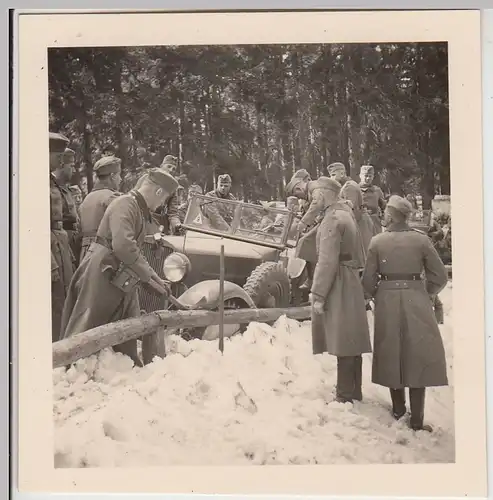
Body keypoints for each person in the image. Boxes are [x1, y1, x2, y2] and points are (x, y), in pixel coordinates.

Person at [60, 168, 179, 367]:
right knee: (86, 326)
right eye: (164, 199)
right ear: (158, 192)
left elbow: (133, 251)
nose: (161, 205)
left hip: (121, 276)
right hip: (102, 272)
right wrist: (147, 276)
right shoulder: (125, 204)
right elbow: (123, 246)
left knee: (126, 329)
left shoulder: (138, 209)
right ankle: (69, 373)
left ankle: (126, 369)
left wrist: (153, 278)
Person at [362, 195, 448, 432]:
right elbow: (440, 276)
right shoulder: (421, 241)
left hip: (387, 300)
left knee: (391, 351)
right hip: (416, 299)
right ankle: (417, 420)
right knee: (417, 354)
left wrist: (373, 295)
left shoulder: (377, 242)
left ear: (390, 215)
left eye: (385, 213)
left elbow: (368, 280)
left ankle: (399, 410)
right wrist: (425, 292)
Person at [309, 178, 372, 404]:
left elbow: (326, 261)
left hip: (338, 281)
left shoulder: (331, 219)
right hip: (351, 280)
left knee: (342, 338)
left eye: (316, 195)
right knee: (351, 337)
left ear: (326, 193)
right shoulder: (347, 214)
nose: (314, 199)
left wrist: (318, 294)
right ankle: (354, 390)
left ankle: (344, 395)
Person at [285, 172, 335, 290]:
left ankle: (313, 279)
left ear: (298, 188)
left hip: (333, 219)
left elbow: (317, 204)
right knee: (306, 242)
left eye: (297, 195)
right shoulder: (311, 190)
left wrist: (303, 222)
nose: (299, 198)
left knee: (306, 242)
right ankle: (311, 278)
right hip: (327, 219)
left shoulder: (314, 186)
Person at [49, 132, 76, 342]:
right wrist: (50, 263)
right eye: (57, 154)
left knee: (66, 295)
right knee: (55, 301)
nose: (61, 159)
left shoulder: (50, 181)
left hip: (60, 244)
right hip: (49, 248)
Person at [78, 155, 122, 263]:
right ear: (112, 176)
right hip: (104, 254)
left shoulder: (87, 199)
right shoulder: (112, 197)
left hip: (85, 254)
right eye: (119, 175)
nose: (120, 179)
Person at [326, 162, 370, 269]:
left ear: (341, 173)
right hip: (358, 221)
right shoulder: (347, 185)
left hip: (359, 223)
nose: (331, 178)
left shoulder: (349, 187)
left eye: (333, 175)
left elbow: (350, 210)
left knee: (359, 257)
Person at [53, 147, 81, 265]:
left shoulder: (68, 190)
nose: (74, 170)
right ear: (61, 165)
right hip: (62, 241)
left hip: (73, 240)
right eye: (71, 166)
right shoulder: (53, 189)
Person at [359, 165, 386, 235]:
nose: (368, 178)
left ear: (373, 177)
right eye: (366, 175)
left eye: (370, 176)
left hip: (375, 224)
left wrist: (383, 218)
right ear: (360, 176)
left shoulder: (377, 190)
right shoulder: (355, 189)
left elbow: (384, 207)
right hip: (359, 223)